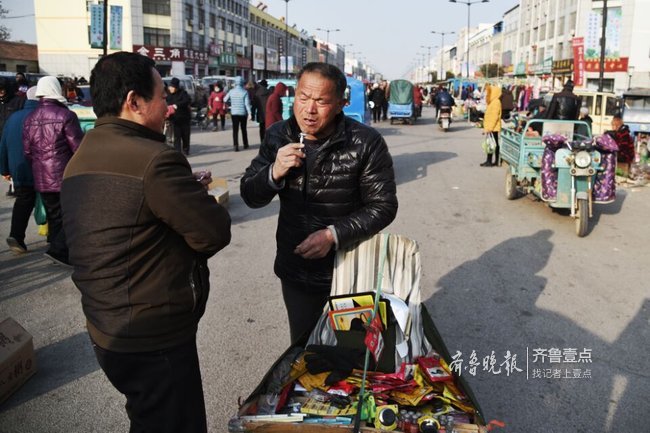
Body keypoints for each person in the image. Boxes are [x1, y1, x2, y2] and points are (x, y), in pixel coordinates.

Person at [60, 51, 232, 433]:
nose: (168, 108)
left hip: (107, 326)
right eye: (162, 98)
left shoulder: (81, 155)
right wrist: (195, 195)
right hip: (153, 335)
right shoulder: (155, 159)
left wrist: (181, 193)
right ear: (134, 102)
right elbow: (213, 232)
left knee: (148, 418)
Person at [240, 62, 398, 344]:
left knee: (350, 353)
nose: (309, 110)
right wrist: (273, 172)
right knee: (303, 351)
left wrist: (332, 235)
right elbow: (250, 196)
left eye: (321, 101)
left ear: (340, 104)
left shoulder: (366, 142)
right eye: (303, 98)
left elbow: (383, 205)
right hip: (297, 269)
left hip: (350, 269)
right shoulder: (279, 135)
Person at [23, 76, 84, 266]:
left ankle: (57, 249)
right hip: (63, 173)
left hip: (41, 174)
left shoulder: (29, 118)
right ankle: (59, 249)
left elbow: (27, 151)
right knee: (73, 213)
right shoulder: (65, 115)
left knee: (54, 213)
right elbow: (77, 147)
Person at [0, 87, 39, 253]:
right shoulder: (43, 116)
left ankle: (16, 236)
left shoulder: (13, 117)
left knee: (23, 199)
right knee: (51, 202)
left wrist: (4, 169)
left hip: (18, 167)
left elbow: (3, 145)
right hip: (41, 168)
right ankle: (55, 240)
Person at [224, 76, 252, 151]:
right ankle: (245, 144)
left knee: (235, 130)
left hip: (234, 113)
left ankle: (235, 145)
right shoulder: (245, 92)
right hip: (243, 113)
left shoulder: (231, 91)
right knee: (243, 129)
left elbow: (224, 99)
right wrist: (249, 113)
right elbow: (247, 104)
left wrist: (230, 104)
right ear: (242, 83)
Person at [166, 77, 192, 155]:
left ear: (176, 87)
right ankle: (178, 152)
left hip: (184, 118)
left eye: (172, 87)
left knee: (185, 135)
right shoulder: (168, 95)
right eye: (170, 86)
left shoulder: (183, 93)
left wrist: (176, 105)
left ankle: (186, 149)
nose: (170, 88)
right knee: (177, 136)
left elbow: (187, 101)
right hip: (174, 119)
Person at [481, 85, 502, 167]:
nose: (487, 94)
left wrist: (489, 128)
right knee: (492, 144)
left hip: (493, 127)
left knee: (492, 144)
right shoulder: (492, 102)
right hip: (491, 127)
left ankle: (492, 161)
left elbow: (494, 117)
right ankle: (491, 161)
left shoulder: (496, 102)